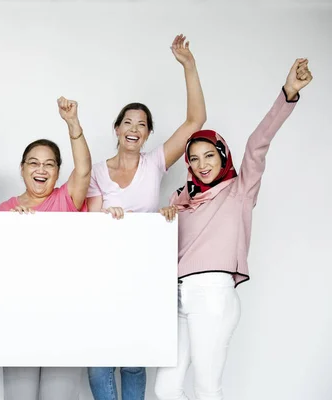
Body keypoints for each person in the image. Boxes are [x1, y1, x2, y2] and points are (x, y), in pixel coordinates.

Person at [154, 59, 313, 400]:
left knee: (207, 388)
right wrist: (165, 218)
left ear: (222, 155)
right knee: (166, 388)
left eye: (209, 155)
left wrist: (287, 94)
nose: (202, 164)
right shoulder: (180, 198)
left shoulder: (239, 191)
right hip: (178, 296)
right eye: (194, 159)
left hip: (213, 293)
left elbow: (258, 145)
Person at [86, 34, 206, 400]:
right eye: (128, 122)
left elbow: (196, 119)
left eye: (142, 125)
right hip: (106, 271)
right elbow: (92, 220)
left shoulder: (155, 162)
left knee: (135, 360)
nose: (135, 129)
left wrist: (188, 64)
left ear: (149, 133)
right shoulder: (96, 171)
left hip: (146, 270)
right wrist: (108, 215)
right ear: (117, 129)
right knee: (100, 360)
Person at [0, 97, 92, 400]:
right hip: (18, 320)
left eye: (49, 164)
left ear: (58, 171)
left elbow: (85, 170)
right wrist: (11, 229)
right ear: (22, 169)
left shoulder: (67, 200)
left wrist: (72, 124)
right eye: (34, 163)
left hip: (64, 319)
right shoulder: (5, 209)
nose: (41, 170)